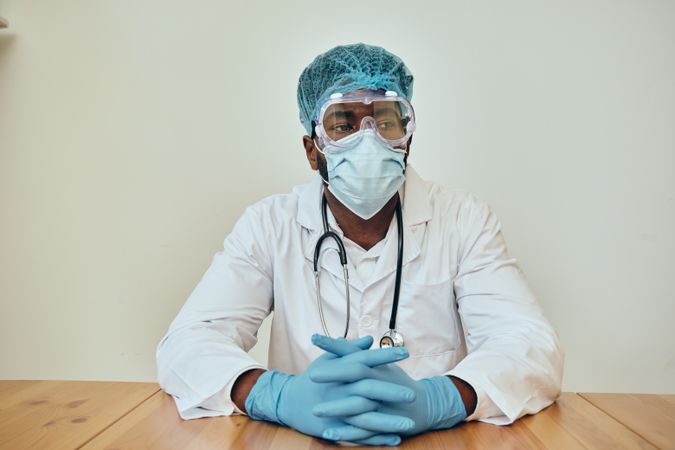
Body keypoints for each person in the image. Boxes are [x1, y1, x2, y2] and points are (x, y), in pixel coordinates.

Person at [156, 43, 564, 446]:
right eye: (344, 124)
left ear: (407, 138)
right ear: (312, 150)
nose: (368, 139)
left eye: (386, 121)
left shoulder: (462, 219)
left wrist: (440, 399)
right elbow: (189, 343)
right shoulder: (270, 224)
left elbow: (530, 345)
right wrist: (276, 396)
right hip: (302, 441)